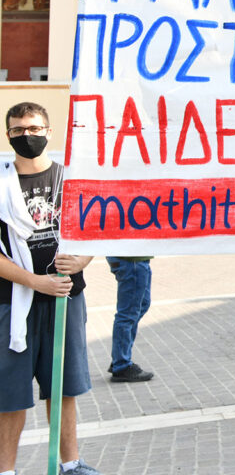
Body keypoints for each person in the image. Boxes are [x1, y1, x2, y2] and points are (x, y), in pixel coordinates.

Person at [0, 102, 101, 475]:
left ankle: (71, 463)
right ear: (8, 135)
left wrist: (82, 261)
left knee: (63, 386)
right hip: (12, 303)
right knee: (9, 395)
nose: (27, 136)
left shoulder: (70, 181)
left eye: (34, 128)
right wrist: (33, 280)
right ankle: (6, 469)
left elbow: (93, 232)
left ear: (49, 131)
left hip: (65, 299)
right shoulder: (1, 185)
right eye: (18, 130)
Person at [106, 257, 155, 382]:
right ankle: (121, 364)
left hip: (137, 258)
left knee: (142, 304)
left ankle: (120, 358)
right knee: (128, 313)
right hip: (131, 259)